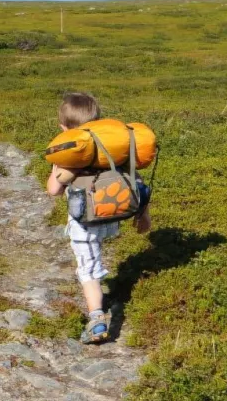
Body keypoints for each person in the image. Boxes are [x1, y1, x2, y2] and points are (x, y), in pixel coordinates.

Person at [45, 91, 151, 344]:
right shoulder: (113, 151)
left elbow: (53, 190)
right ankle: (104, 296)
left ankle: (96, 319)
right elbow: (137, 181)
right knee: (95, 258)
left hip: (86, 223)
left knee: (88, 271)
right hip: (112, 217)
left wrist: (56, 168)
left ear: (63, 128)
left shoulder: (71, 157)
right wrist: (144, 215)